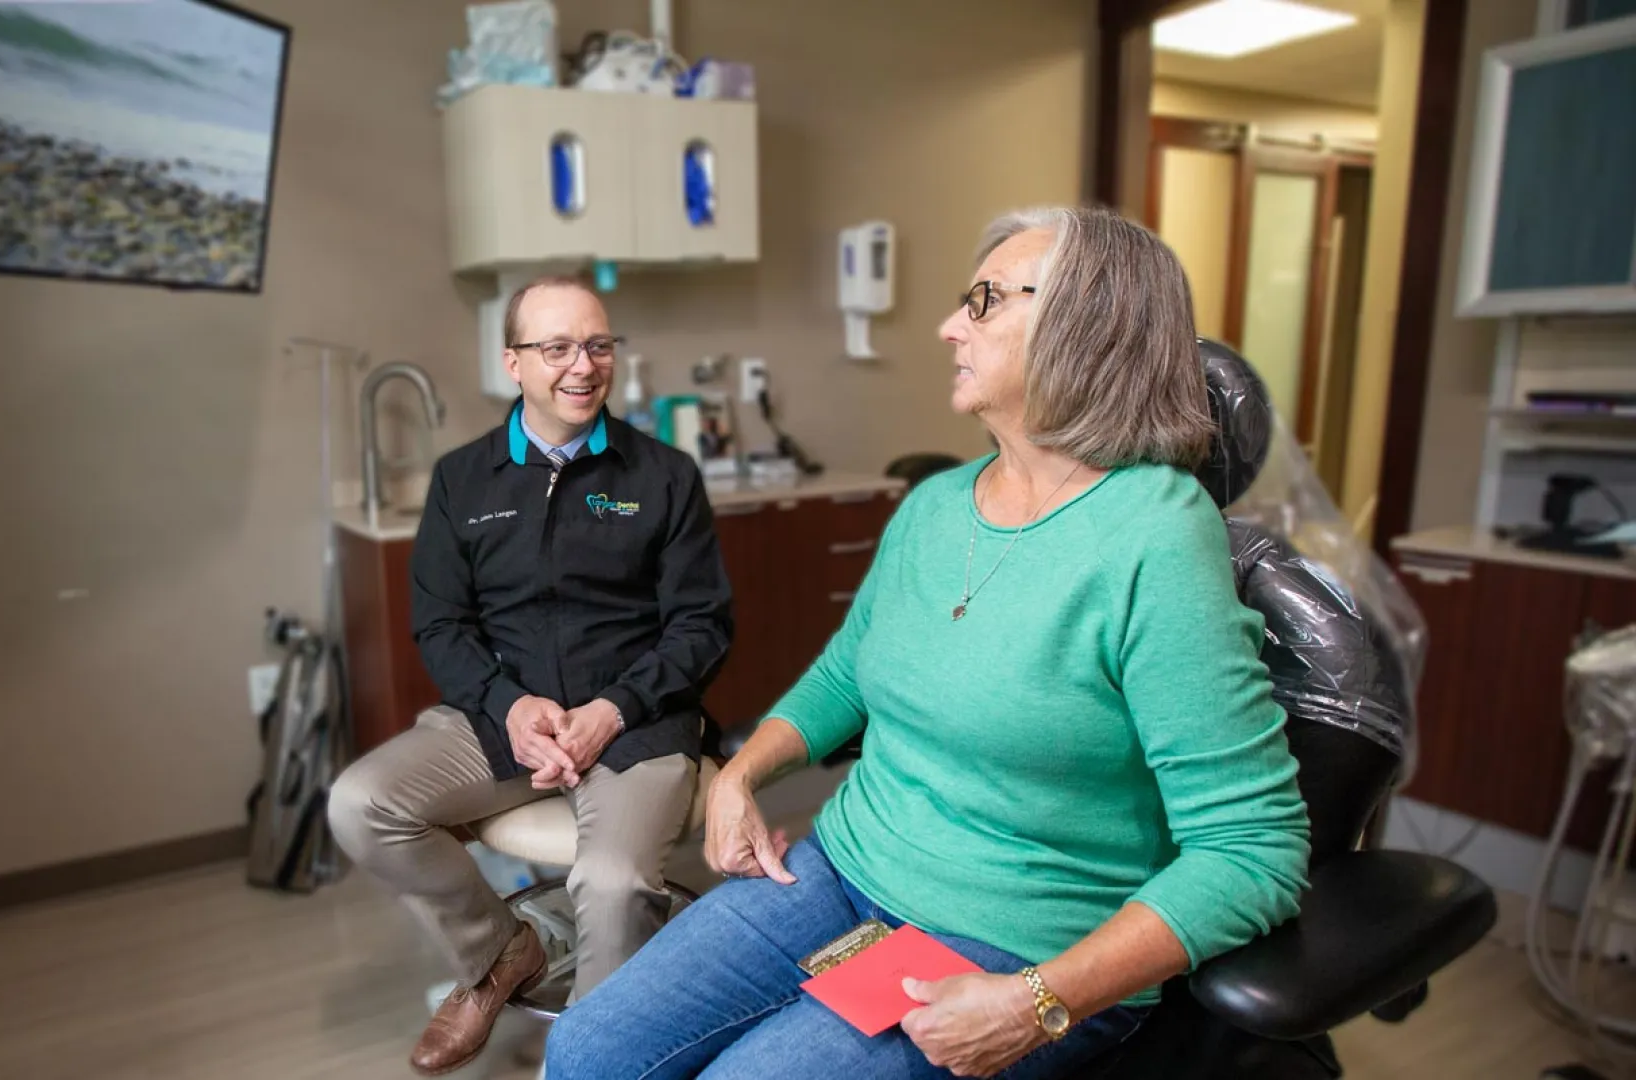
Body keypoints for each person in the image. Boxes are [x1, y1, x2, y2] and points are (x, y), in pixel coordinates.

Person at [545, 206, 1312, 1080]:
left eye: (983, 300)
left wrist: (1038, 999)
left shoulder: (1155, 537)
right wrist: (742, 774)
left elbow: (1253, 851)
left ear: (1087, 322)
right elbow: (846, 677)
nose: (951, 326)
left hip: (1013, 941)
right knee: (587, 1047)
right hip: (843, 872)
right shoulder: (937, 506)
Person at [326, 275, 733, 1076]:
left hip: (636, 724)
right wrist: (509, 707)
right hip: (500, 721)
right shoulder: (463, 481)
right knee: (360, 805)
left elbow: (703, 625)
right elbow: (441, 624)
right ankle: (497, 957)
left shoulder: (663, 476)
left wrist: (613, 710)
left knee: (614, 885)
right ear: (513, 363)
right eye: (556, 348)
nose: (582, 366)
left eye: (597, 345)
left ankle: (598, 1058)